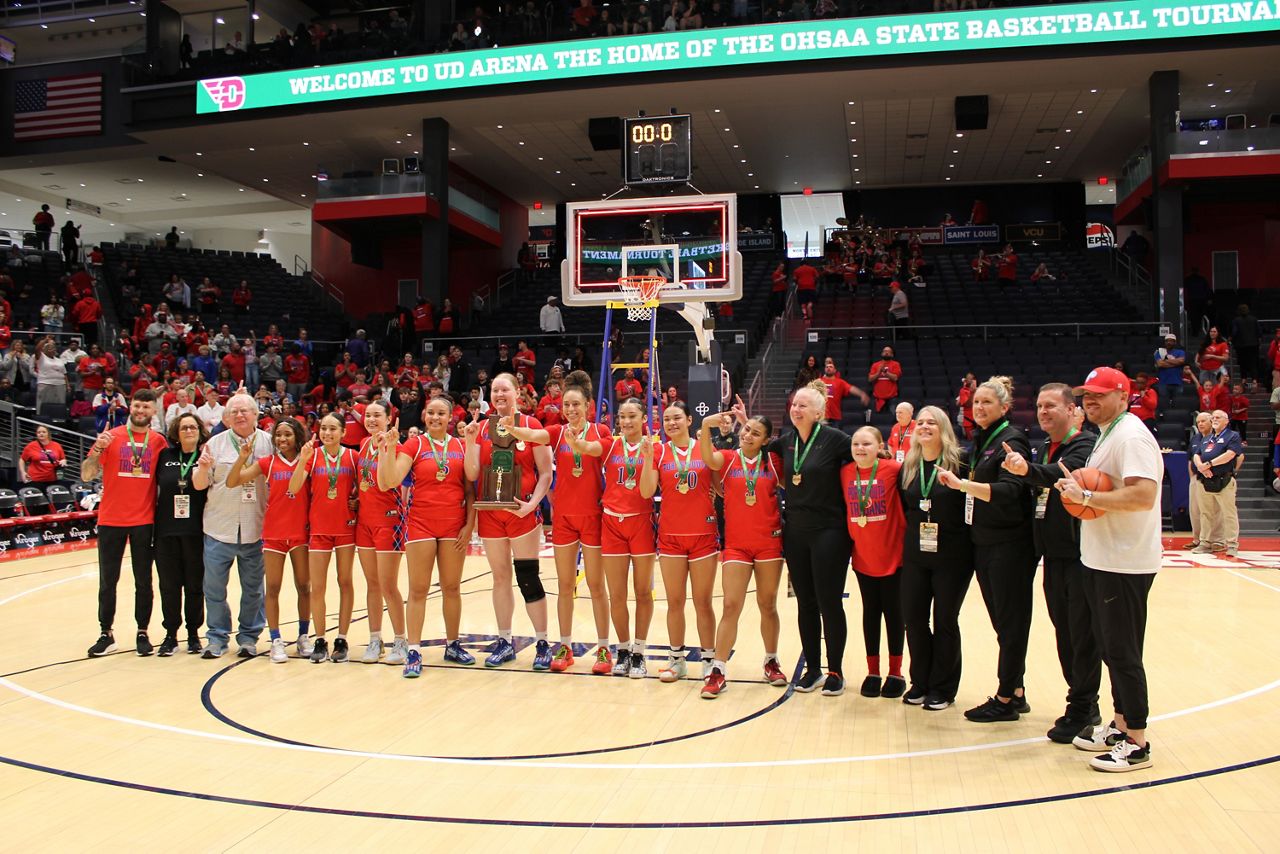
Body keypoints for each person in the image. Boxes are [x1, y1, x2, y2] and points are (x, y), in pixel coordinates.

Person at [1056, 366, 1163, 772]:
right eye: (1086, 395)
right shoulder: (1109, 432)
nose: (1090, 401)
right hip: (1103, 558)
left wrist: (1085, 495)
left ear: (1124, 395)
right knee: (1109, 648)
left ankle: (1137, 740)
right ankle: (1119, 726)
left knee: (1123, 652)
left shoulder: (1132, 435)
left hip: (1125, 561)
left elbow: (1142, 496)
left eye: (1100, 394)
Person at [999, 383, 1103, 743]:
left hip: (1078, 556)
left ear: (1072, 410)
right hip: (1053, 557)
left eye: (1051, 406)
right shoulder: (1046, 447)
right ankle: (1080, 703)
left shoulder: (1083, 445)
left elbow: (1062, 478)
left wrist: (1026, 469)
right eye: (1040, 406)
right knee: (1065, 635)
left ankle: (1085, 707)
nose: (1043, 412)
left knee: (1081, 636)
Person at [938, 376, 1036, 723]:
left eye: (986, 403)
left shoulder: (1011, 441)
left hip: (1009, 545)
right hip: (986, 543)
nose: (978, 407)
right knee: (1003, 624)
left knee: (1011, 624)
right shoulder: (981, 441)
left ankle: (1006, 698)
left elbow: (1011, 490)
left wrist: (964, 485)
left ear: (1004, 408)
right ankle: (1017, 690)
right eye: (975, 402)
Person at [515, 373, 613, 673]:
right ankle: (566, 645)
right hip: (564, 521)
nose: (571, 409)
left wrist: (579, 444)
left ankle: (604, 649)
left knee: (597, 586)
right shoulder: (557, 432)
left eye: (576, 404)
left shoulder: (601, 431)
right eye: (566, 405)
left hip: (594, 517)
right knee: (565, 585)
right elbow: (535, 436)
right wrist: (510, 428)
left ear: (589, 406)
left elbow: (595, 450)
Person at [377, 397, 475, 675]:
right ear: (423, 415)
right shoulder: (414, 444)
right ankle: (415, 651)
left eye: (441, 413)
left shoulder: (459, 444)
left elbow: (470, 490)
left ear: (450, 417)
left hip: (454, 525)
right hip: (420, 524)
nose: (435, 417)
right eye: (431, 413)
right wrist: (390, 448)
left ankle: (453, 644)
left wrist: (470, 525)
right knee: (418, 590)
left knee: (452, 587)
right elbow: (391, 481)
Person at [462, 373, 554, 669]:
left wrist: (532, 506)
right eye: (495, 390)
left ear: (517, 392)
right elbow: (473, 474)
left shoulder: (532, 426)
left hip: (522, 514)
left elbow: (546, 473)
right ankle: (504, 642)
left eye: (505, 389)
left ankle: (542, 643)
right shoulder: (483, 427)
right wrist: (470, 440)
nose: (499, 394)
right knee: (500, 578)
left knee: (528, 577)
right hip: (491, 515)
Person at [768, 382, 854, 695]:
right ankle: (813, 669)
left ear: (819, 412)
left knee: (829, 603)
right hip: (796, 532)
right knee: (805, 602)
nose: (796, 409)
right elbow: (760, 448)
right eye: (794, 405)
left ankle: (835, 671)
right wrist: (741, 421)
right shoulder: (787, 441)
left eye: (803, 405)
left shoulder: (836, 440)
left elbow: (867, 452)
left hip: (829, 531)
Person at [696, 405, 787, 697]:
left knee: (767, 604)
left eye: (755, 433)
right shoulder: (729, 459)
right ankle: (718, 669)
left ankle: (771, 661)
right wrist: (707, 426)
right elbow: (707, 456)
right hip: (736, 543)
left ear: (765, 440)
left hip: (769, 543)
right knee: (731, 605)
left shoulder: (773, 461)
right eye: (746, 430)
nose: (747, 435)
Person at [81, 389, 170, 657]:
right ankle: (105, 633)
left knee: (143, 580)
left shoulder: (159, 443)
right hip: (110, 519)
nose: (140, 410)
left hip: (144, 520)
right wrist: (98, 448)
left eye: (146, 407)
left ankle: (142, 632)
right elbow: (86, 475)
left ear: (154, 411)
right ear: (129, 407)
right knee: (108, 581)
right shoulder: (112, 437)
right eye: (137, 405)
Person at [899, 405, 974, 710]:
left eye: (932, 422)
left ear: (943, 427)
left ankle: (943, 687)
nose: (925, 426)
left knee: (945, 620)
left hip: (953, 555)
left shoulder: (962, 462)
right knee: (914, 619)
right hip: (917, 554)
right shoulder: (911, 465)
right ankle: (920, 681)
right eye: (920, 422)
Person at [191, 392, 275, 659]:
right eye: (234, 412)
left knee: (253, 589)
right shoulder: (214, 445)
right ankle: (216, 637)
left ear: (255, 414)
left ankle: (249, 637)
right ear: (226, 418)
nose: (239, 415)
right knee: (214, 589)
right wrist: (203, 468)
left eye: (244, 411)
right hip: (219, 528)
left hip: (255, 529)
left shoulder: (269, 444)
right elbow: (199, 484)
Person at [226, 417, 312, 663]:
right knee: (272, 587)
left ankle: (303, 636)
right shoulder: (267, 462)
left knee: (304, 587)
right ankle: (275, 639)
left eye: (287, 434)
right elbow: (232, 482)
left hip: (301, 534)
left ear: (297, 436)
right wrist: (243, 457)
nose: (282, 439)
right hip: (274, 532)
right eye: (278, 435)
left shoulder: (308, 459)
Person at [651, 401, 720, 683]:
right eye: (667, 419)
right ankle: (676, 660)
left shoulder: (704, 448)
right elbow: (646, 490)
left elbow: (721, 487)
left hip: (702, 535)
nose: (672, 423)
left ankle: (708, 660)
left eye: (677, 418)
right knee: (675, 601)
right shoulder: (659, 451)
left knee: (703, 602)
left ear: (690, 419)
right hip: (670, 536)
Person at [287, 413, 359, 664]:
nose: (327, 433)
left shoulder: (353, 456)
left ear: (343, 433)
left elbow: (364, 489)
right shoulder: (312, 455)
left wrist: (358, 500)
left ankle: (341, 638)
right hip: (318, 530)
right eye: (324, 429)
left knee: (345, 581)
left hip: (346, 529)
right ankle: (320, 639)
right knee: (317, 586)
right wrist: (302, 460)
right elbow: (293, 488)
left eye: (333, 429)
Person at [841, 426, 907, 699]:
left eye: (867, 443)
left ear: (880, 445)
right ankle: (873, 671)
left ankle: (896, 671)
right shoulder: (845, 473)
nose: (860, 448)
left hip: (894, 555)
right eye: (856, 443)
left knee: (894, 613)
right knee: (870, 613)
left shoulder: (894, 469)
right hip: (863, 556)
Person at [598, 396, 659, 677]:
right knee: (617, 594)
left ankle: (640, 651)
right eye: (622, 416)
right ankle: (622, 650)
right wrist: (576, 442)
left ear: (643, 418)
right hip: (611, 523)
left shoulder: (655, 448)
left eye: (632, 416)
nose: (625, 421)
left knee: (643, 592)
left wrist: (647, 458)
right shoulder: (610, 446)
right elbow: (587, 446)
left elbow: (650, 490)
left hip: (641, 523)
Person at [153, 413, 209, 656]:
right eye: (184, 427)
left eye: (193, 427)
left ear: (199, 431)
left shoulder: (205, 456)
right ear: (176, 432)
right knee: (169, 586)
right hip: (166, 531)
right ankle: (170, 634)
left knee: (195, 585)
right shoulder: (164, 456)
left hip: (196, 531)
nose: (188, 431)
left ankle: (194, 634)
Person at [353, 400, 404, 664]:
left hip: (389, 521)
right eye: (367, 415)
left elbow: (390, 484)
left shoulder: (396, 446)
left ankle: (401, 640)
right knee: (372, 585)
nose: (371, 419)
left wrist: (389, 446)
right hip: (365, 522)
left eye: (377, 415)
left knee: (388, 585)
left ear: (388, 417)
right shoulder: (363, 444)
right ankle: (375, 640)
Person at [1191, 409, 1242, 557]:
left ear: (1226, 420)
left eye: (1218, 417)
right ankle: (1205, 542)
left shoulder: (1233, 436)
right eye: (1213, 417)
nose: (1214, 419)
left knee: (1229, 513)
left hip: (1224, 479)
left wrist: (1209, 464)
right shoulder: (1207, 438)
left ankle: (1232, 544)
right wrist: (1201, 467)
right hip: (1205, 480)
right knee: (1206, 513)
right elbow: (1196, 455)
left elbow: (1230, 455)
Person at [1184, 412, 1212, 550]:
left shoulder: (1217, 438)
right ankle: (1197, 539)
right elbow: (1190, 459)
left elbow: (1238, 456)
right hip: (1196, 477)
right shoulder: (1195, 438)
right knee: (1194, 510)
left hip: (1211, 478)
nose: (1200, 424)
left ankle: (1212, 540)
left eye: (1203, 421)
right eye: (1198, 421)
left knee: (1209, 511)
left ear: (1211, 422)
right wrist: (1192, 477)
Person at [819, 357, 869, 423]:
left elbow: (851, 388)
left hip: (835, 416)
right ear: (824, 370)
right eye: (827, 367)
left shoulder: (840, 382)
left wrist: (862, 394)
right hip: (822, 416)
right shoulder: (819, 381)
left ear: (835, 370)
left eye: (831, 367)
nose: (828, 368)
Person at [34, 338, 68, 415]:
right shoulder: (41, 357)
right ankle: (41, 419)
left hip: (60, 385)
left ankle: (58, 419)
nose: (52, 350)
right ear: (44, 350)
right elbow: (37, 349)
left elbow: (64, 373)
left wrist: (67, 385)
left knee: (59, 405)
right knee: (43, 404)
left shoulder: (59, 360)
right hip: (45, 384)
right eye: (49, 348)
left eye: (53, 348)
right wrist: (45, 340)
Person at [1231, 304, 1261, 391]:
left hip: (1241, 346)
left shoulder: (1236, 320)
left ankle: (1243, 382)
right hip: (1253, 345)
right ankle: (1254, 383)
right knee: (1253, 364)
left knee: (1242, 364)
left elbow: (1234, 332)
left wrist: (1231, 339)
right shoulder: (1254, 319)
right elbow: (1259, 332)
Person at [1154, 334, 1186, 408]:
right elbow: (1160, 364)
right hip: (1163, 383)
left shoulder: (1180, 352)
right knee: (1164, 405)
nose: (1169, 342)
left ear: (1175, 342)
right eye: (1167, 341)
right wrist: (1175, 363)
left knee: (1178, 405)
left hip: (1177, 382)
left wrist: (1165, 360)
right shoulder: (1159, 352)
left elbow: (1181, 361)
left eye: (1171, 341)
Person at [867, 346, 902, 413]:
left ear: (892, 354)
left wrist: (885, 372)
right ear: (881, 353)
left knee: (893, 418)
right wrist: (878, 372)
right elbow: (870, 379)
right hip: (878, 398)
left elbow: (895, 378)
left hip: (892, 398)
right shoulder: (875, 365)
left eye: (888, 351)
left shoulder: (896, 364)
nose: (886, 353)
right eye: (884, 351)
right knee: (877, 419)